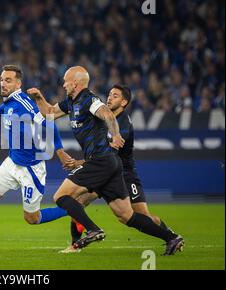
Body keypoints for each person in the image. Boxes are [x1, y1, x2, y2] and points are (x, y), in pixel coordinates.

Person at [28, 66, 184, 255]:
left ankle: (92, 231)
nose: (63, 84)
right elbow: (49, 113)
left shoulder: (89, 99)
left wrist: (116, 135)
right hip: (108, 164)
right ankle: (171, 238)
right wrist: (38, 97)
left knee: (61, 196)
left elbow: (107, 114)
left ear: (76, 83)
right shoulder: (71, 101)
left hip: (100, 161)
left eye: (66, 81)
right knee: (126, 216)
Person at [0, 65, 74, 255]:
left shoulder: (25, 103)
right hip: (12, 162)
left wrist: (60, 151)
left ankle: (72, 210)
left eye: (8, 80)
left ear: (18, 83)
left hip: (31, 168)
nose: (3, 84)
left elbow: (50, 123)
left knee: (32, 218)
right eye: (2, 80)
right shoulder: (9, 102)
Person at [60, 85, 177, 253]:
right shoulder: (102, 117)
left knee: (142, 217)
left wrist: (79, 163)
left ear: (124, 102)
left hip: (125, 175)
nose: (109, 98)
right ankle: (75, 245)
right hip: (105, 172)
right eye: (109, 95)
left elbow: (107, 154)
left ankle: (170, 236)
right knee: (78, 201)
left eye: (115, 96)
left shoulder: (123, 124)